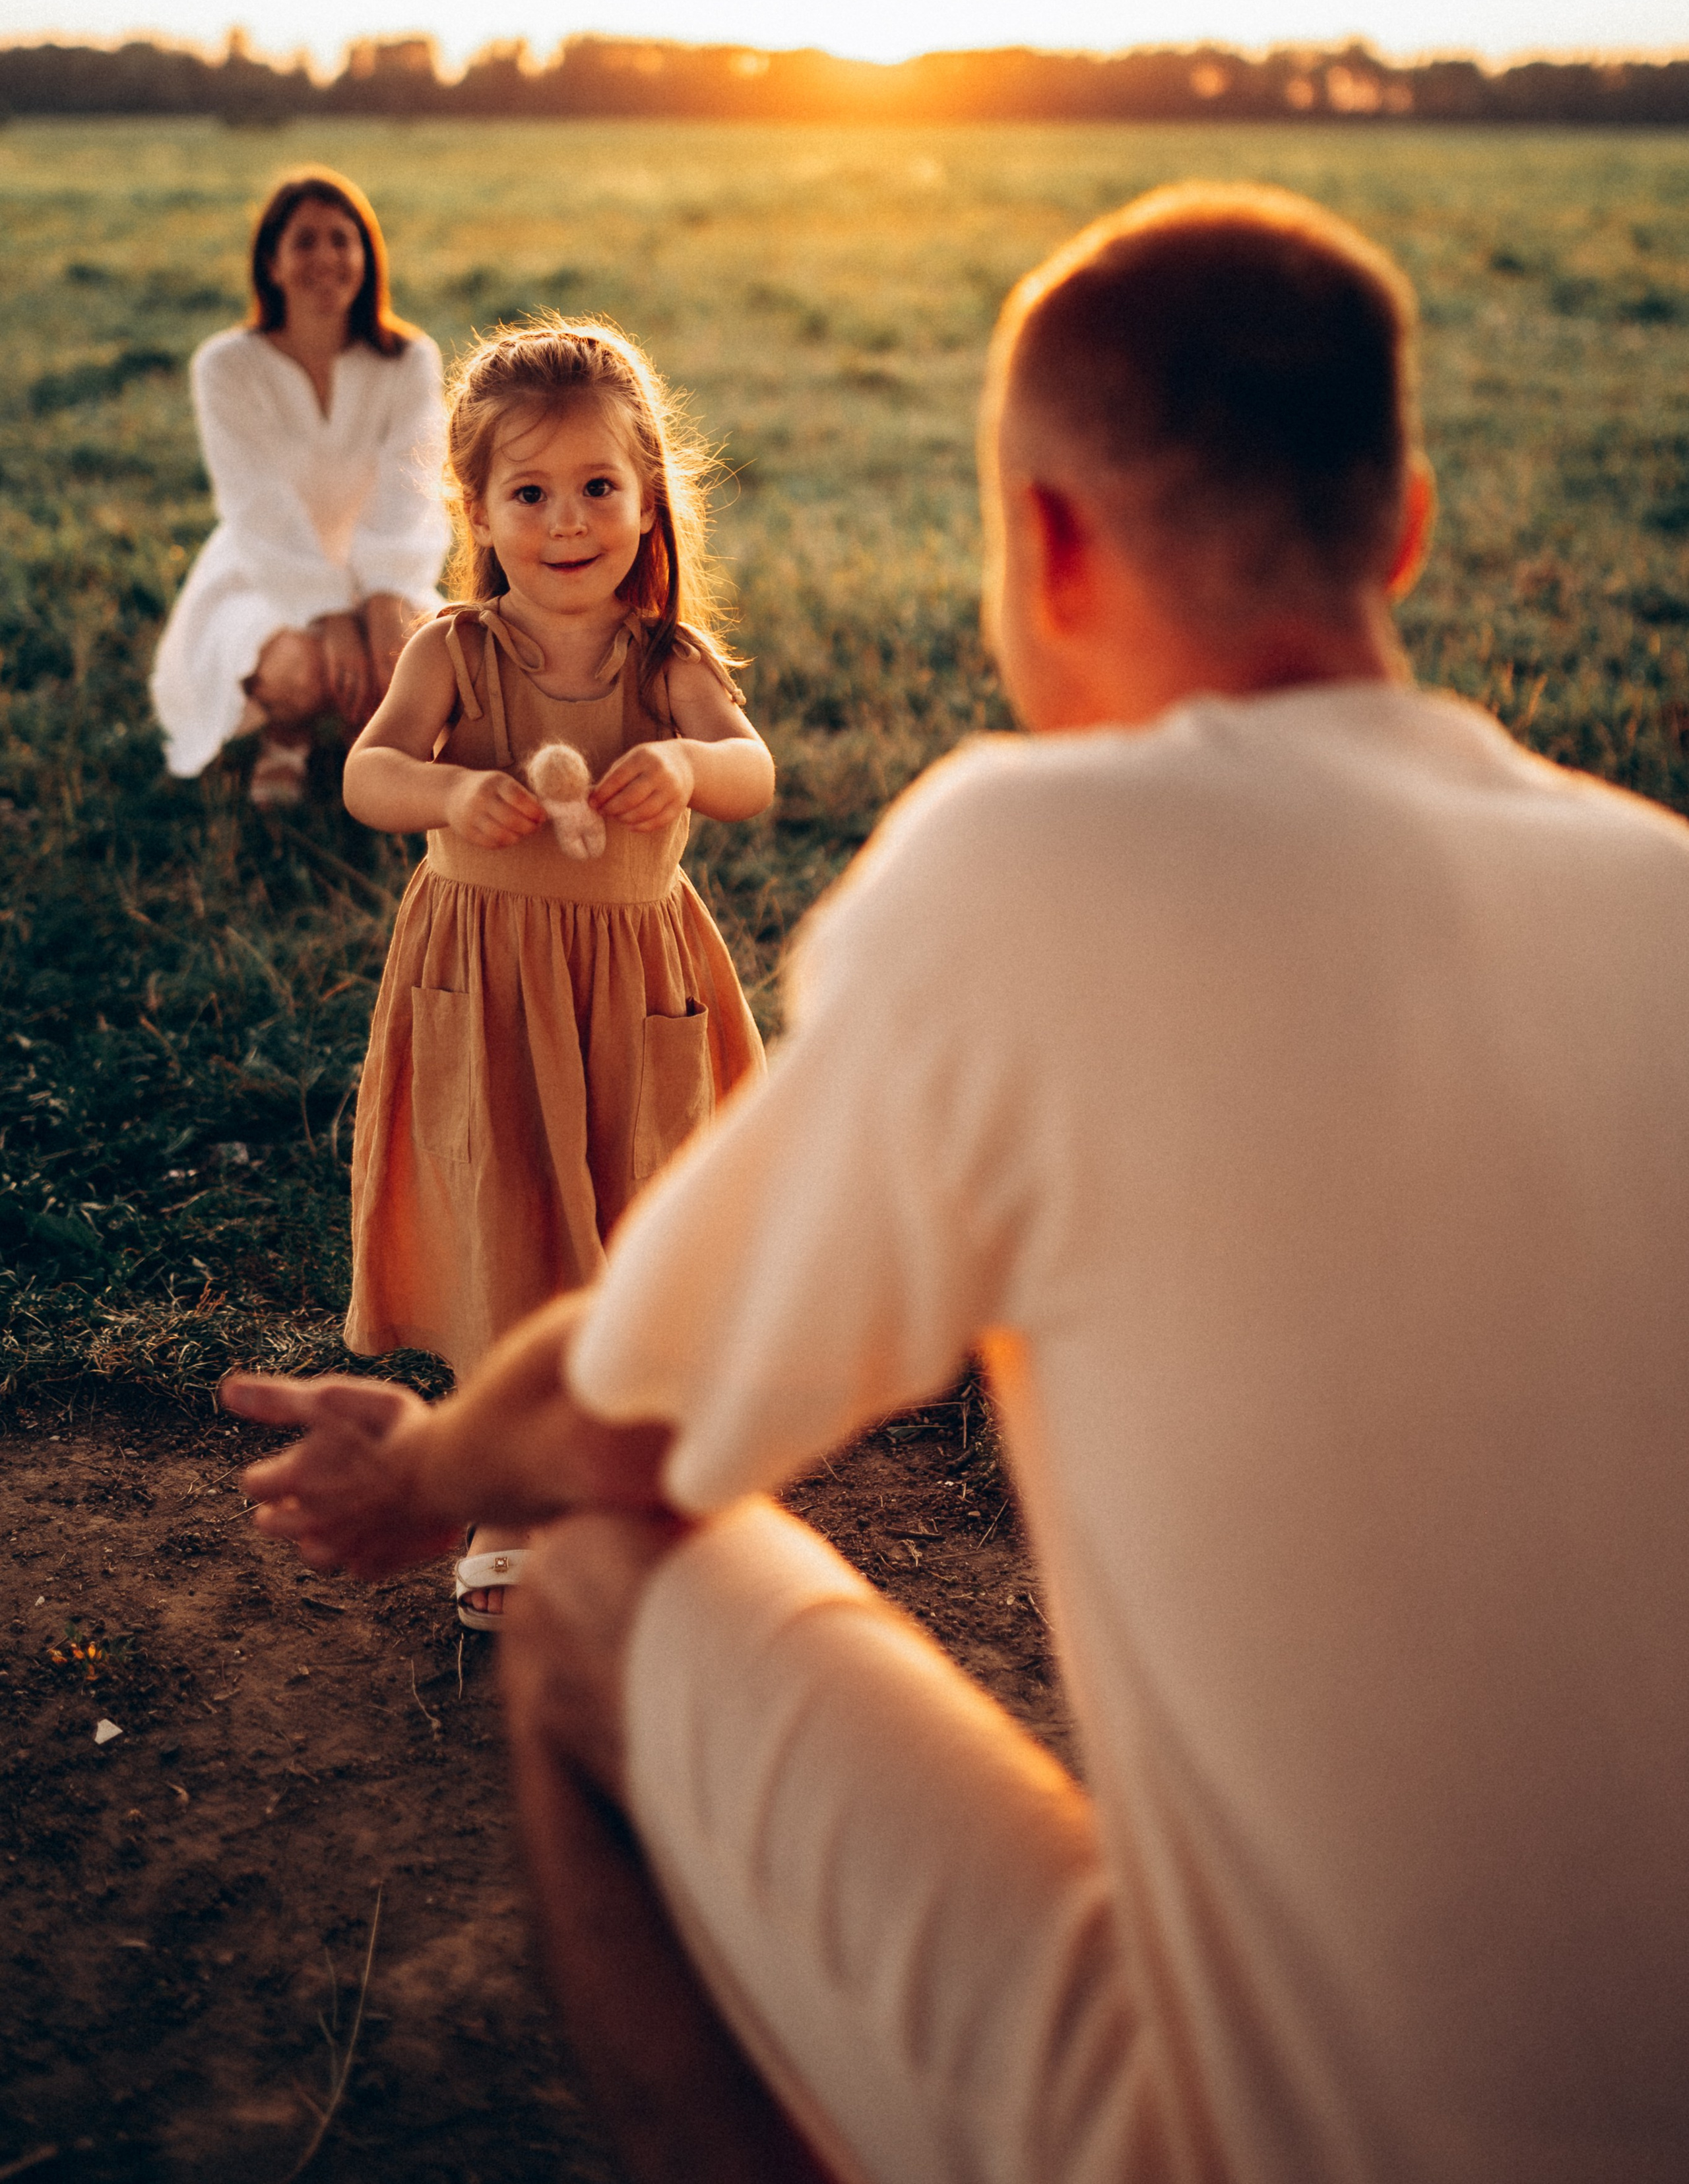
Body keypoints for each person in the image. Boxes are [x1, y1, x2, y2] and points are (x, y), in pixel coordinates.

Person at [228, 185, 1689, 2184]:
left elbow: (620, 1413)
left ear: (1047, 544)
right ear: (1407, 530)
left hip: (1260, 2138)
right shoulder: (1659, 893)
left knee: (585, 1591)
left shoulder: (1020, 861)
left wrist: (422, 1469)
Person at [339, 317, 772, 1627]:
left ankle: (631, 1470)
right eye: (528, 493)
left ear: (647, 501)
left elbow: (752, 772)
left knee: (639, 1216)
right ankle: (513, 1494)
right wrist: (447, 791)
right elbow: (367, 774)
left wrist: (686, 763)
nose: (567, 520)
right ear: (476, 509)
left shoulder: (667, 663)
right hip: (484, 993)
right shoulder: (452, 651)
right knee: (506, 1219)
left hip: (630, 991)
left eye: (597, 487)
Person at [150, 167, 449, 806]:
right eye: (305, 241)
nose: (326, 257)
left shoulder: (410, 360)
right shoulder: (227, 366)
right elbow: (257, 503)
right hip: (264, 566)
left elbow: (410, 488)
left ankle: (375, 744)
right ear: (272, 263)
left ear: (367, 257)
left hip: (385, 565)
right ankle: (287, 734)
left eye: (343, 239)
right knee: (304, 668)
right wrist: (328, 611)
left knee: (421, 662)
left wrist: (382, 600)